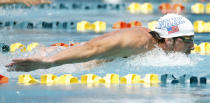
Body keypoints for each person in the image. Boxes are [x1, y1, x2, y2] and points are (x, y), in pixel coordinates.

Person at [6, 14, 195, 72]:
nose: (192, 46)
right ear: (169, 39)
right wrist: (48, 63)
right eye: (187, 40)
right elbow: (93, 48)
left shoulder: (156, 45)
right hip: (65, 64)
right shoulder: (138, 40)